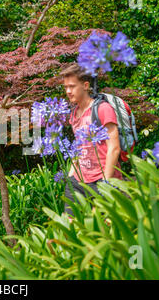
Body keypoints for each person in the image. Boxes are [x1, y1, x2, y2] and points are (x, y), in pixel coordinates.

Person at [60, 63, 122, 217]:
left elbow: (114, 148)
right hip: (78, 180)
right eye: (66, 87)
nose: (68, 91)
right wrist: (70, 176)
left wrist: (105, 184)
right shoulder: (74, 114)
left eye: (72, 86)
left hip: (102, 179)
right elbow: (79, 147)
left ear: (85, 85)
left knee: (101, 229)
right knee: (71, 226)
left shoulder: (102, 109)